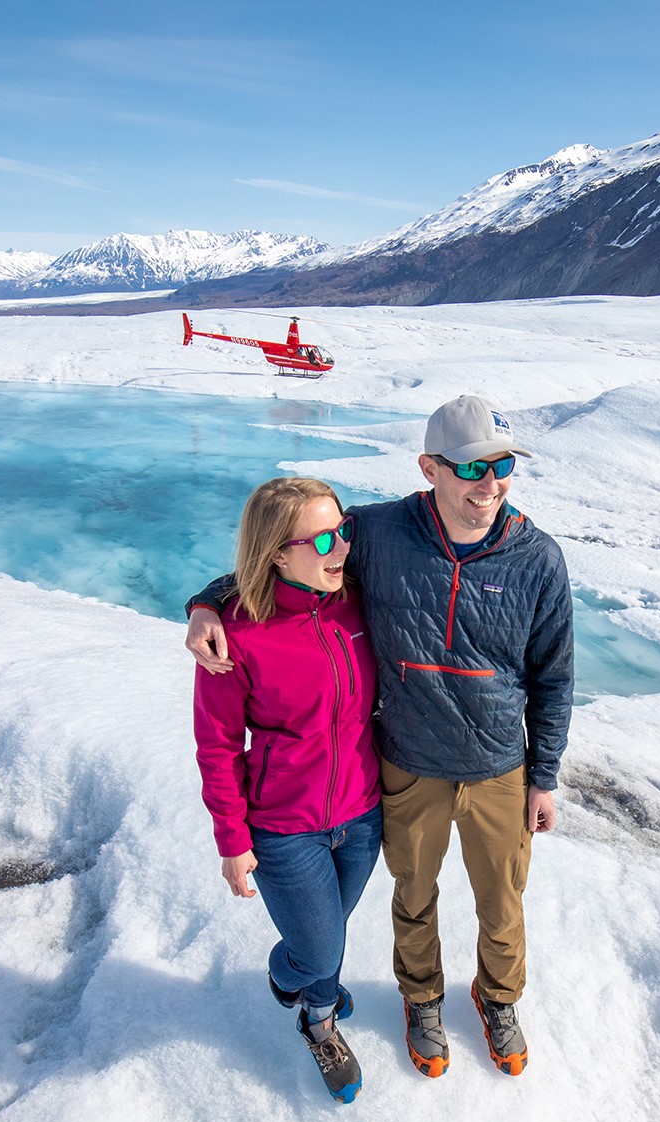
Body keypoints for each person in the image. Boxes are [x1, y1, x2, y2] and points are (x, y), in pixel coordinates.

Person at [188, 395, 573, 1079]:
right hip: (405, 769)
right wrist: (208, 603)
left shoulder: (538, 559)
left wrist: (544, 774)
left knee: (502, 901)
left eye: (503, 466)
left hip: (494, 769)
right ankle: (420, 1000)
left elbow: (554, 676)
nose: (490, 485)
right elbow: (285, 551)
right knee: (413, 898)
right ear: (430, 468)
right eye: (472, 469)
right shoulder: (379, 535)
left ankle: (498, 996)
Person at [192, 477, 384, 1104]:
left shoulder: (357, 600)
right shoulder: (235, 637)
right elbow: (219, 746)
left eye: (344, 530)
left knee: (328, 931)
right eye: (325, 537)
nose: (342, 548)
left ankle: (306, 971)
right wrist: (232, 840)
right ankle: (315, 1013)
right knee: (322, 945)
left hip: (362, 813)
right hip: (283, 827)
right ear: (277, 551)